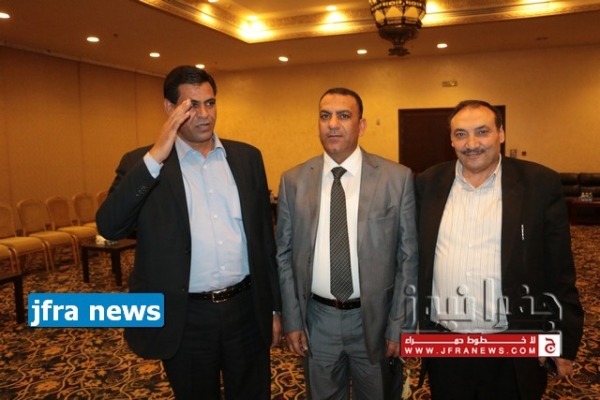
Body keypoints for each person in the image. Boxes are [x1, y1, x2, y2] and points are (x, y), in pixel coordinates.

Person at [96, 65, 282, 400]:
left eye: (210, 103)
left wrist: (273, 309)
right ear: (170, 108)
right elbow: (110, 226)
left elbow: (264, 243)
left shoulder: (247, 158)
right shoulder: (143, 163)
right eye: (192, 105)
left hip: (246, 310)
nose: (205, 114)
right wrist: (156, 155)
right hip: (186, 318)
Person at [415, 100, 584, 399]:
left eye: (482, 132)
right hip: (446, 346)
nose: (471, 144)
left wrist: (561, 341)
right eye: (461, 134)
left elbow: (559, 271)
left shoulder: (539, 184)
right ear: (451, 140)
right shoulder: (428, 183)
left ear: (501, 133)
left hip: (514, 347)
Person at [276, 87, 418, 399]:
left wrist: (400, 324)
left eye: (343, 115)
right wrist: (292, 319)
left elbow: (408, 259)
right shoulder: (293, 181)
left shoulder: (397, 178)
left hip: (375, 320)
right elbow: (283, 256)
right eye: (325, 116)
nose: (332, 124)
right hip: (317, 319)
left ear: (361, 125)